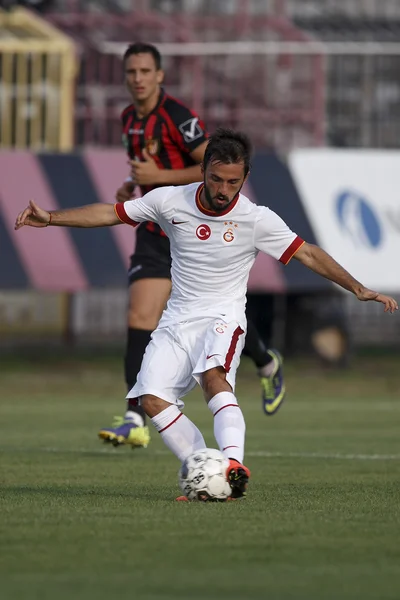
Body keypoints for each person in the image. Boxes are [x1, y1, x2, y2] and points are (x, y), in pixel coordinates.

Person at [15, 129, 397, 500]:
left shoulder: (256, 218)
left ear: (245, 177)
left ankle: (232, 466)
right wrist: (51, 218)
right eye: (216, 179)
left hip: (223, 318)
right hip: (177, 320)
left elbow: (309, 253)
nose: (223, 190)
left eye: (233, 182)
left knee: (214, 378)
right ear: (203, 171)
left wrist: (358, 288)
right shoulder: (168, 200)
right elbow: (111, 213)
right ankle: (206, 471)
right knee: (150, 398)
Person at [100, 43, 285, 453]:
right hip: (158, 226)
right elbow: (150, 176)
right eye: (131, 71)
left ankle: (265, 359)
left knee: (211, 311)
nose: (138, 78)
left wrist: (159, 175)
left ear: (159, 75)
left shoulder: (177, 117)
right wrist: (136, 186)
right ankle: (134, 414)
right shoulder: (129, 117)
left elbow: (210, 166)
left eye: (145, 70)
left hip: (197, 226)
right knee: (139, 313)